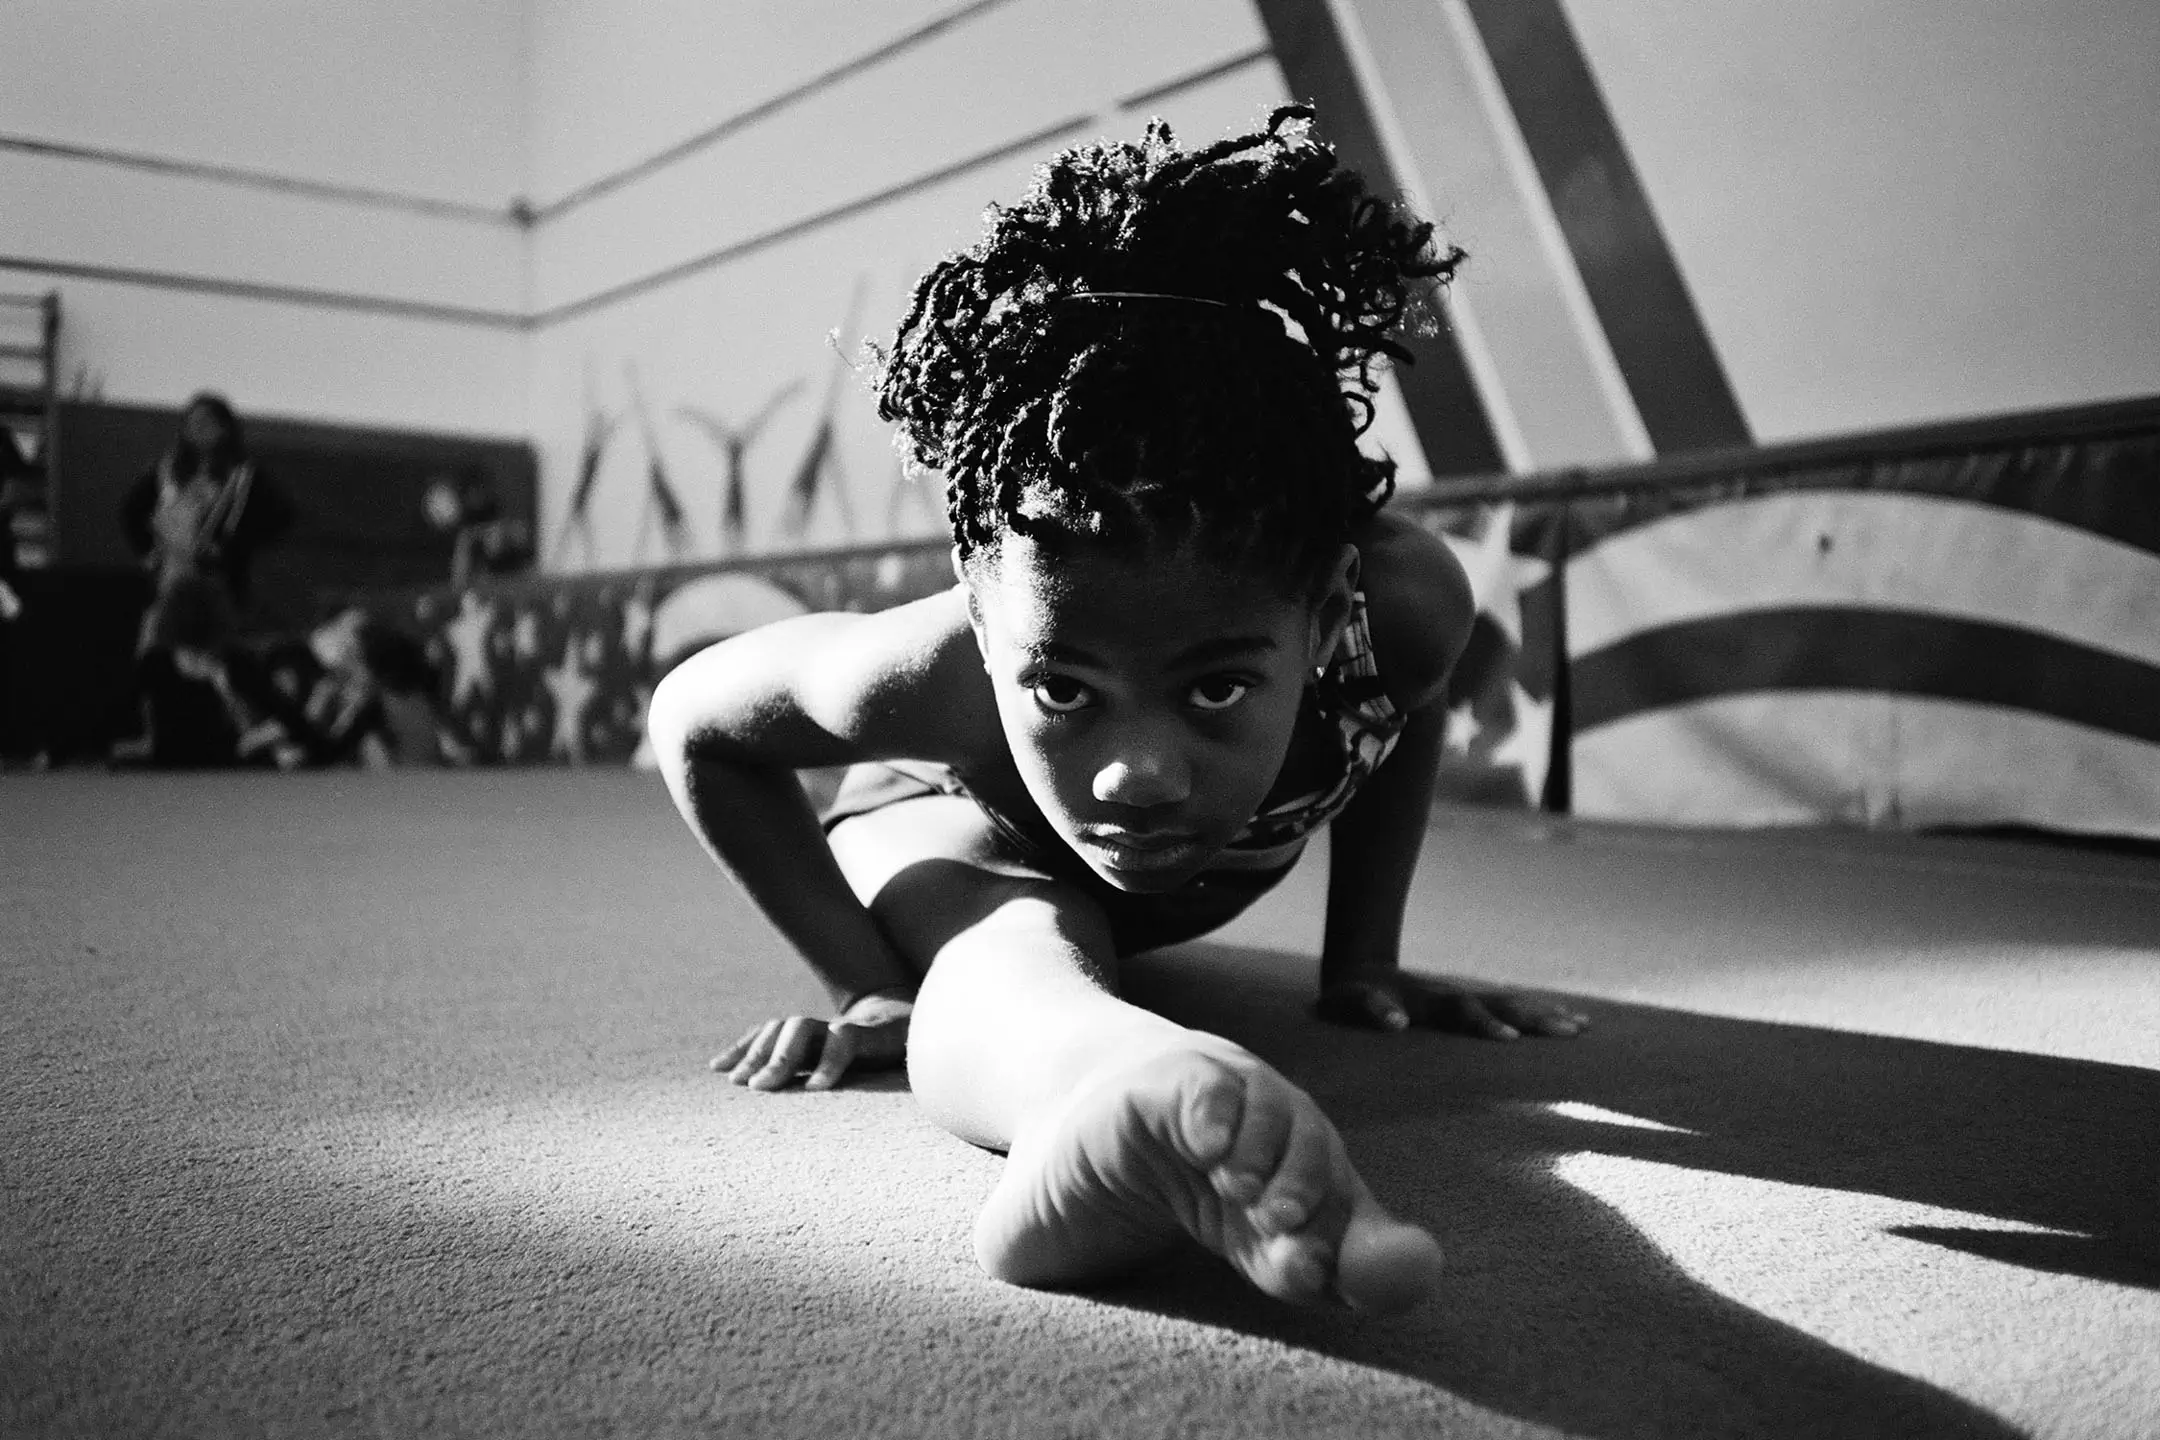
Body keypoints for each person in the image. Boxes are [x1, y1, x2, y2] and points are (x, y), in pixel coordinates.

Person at [647, 109, 1587, 1317]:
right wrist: (865, 981)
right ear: (985, 628)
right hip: (955, 819)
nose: (1135, 774)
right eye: (1063, 689)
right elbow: (694, 720)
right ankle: (1120, 1088)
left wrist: (1365, 959)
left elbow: (1407, 708)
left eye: (1214, 689)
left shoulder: (1401, 607)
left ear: (1326, 610)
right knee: (1010, 947)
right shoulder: (930, 670)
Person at [114, 392, 292, 762]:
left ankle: (238, 731)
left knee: (222, 662)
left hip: (219, 587)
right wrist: (151, 553)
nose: (198, 431)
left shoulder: (243, 476)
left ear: (226, 428)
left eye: (207, 423)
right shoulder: (168, 472)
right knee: (153, 657)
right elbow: (131, 512)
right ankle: (154, 732)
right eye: (192, 423)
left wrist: (231, 548)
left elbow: (280, 518)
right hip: (172, 582)